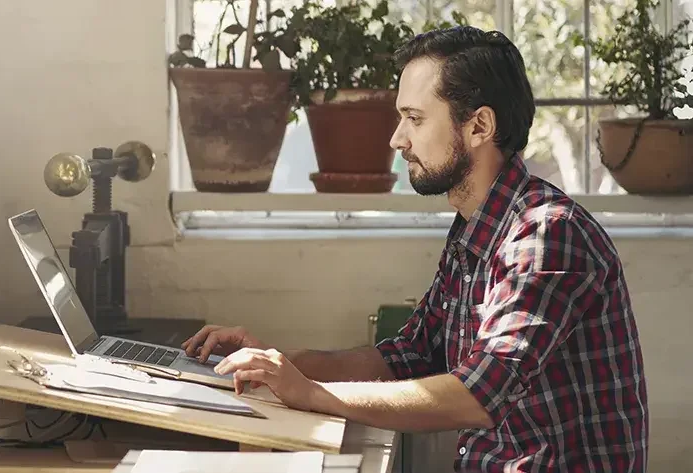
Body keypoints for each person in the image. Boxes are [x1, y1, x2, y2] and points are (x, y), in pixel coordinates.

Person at [181, 25, 648, 473]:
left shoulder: (546, 235)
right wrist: (276, 360)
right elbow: (408, 354)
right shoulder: (476, 227)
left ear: (479, 126)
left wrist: (312, 394)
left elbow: (477, 396)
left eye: (415, 119)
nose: (396, 139)